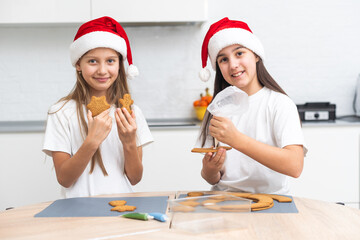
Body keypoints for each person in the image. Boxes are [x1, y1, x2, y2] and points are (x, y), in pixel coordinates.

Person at [42, 16, 153, 198]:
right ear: (78, 64)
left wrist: (129, 141)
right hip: (77, 212)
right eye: (92, 61)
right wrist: (92, 140)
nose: (102, 70)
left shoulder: (131, 113)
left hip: (122, 209)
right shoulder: (60, 112)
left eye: (110, 61)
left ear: (119, 64)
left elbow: (135, 177)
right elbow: (64, 178)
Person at [196, 17, 307, 194]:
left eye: (239, 53)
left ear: (255, 55)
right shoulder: (217, 109)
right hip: (225, 202)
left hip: (273, 202)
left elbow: (294, 166)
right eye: (223, 59)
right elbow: (212, 177)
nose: (233, 65)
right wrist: (210, 170)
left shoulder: (280, 104)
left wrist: (236, 139)